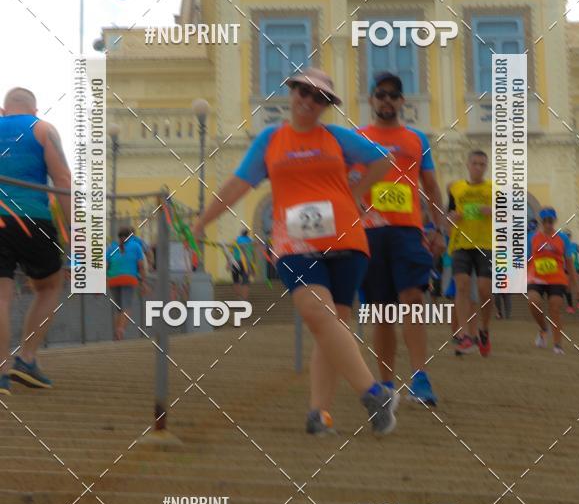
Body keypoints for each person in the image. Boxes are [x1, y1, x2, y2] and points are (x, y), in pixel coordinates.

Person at [193, 67, 397, 436]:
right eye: (303, 92)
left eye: (318, 97)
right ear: (291, 93)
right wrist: (201, 221)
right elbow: (238, 184)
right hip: (294, 243)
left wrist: (356, 192)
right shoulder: (271, 140)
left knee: (331, 325)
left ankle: (319, 414)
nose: (308, 101)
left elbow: (384, 159)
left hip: (347, 239)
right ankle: (373, 392)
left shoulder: (336, 138)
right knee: (318, 314)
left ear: (326, 105)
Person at [352, 72, 446, 406]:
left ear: (402, 100)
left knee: (414, 299)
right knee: (380, 313)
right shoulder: (357, 138)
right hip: (370, 234)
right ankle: (387, 385)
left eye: (394, 95)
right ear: (372, 100)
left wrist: (439, 229)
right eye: (381, 94)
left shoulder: (417, 139)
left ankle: (420, 377)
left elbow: (431, 187)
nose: (387, 100)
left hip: (409, 232)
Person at [0, 88, 71, 394]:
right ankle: (26, 359)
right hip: (33, 219)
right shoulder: (42, 129)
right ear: (35, 109)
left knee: (2, 296)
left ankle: (1, 372)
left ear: (4, 111)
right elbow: (63, 181)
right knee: (49, 286)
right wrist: (75, 231)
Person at [447, 151, 493, 357]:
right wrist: (452, 217)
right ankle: (465, 336)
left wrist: (494, 212)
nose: (478, 167)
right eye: (474, 163)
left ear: (486, 166)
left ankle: (484, 329)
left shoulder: (494, 189)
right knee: (462, 286)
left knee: (484, 290)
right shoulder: (455, 188)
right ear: (467, 164)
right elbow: (447, 215)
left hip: (486, 244)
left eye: (482, 164)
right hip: (460, 243)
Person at [528, 208, 575, 354]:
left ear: (554, 221)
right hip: (537, 277)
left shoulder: (563, 238)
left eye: (551, 221)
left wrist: (573, 284)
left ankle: (557, 344)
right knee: (533, 302)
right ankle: (543, 329)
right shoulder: (532, 238)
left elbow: (569, 262)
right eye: (545, 221)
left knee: (555, 309)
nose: (548, 224)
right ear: (541, 222)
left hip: (557, 278)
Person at [106, 228, 148, 340]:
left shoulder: (111, 247)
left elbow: (105, 265)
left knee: (119, 309)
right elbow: (141, 266)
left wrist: (104, 280)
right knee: (127, 307)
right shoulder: (136, 246)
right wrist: (143, 283)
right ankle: (120, 331)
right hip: (129, 279)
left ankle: (116, 334)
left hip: (113, 280)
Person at [230, 227, 254, 307]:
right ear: (247, 233)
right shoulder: (250, 241)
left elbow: (231, 251)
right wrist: (253, 267)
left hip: (236, 261)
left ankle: (239, 296)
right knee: (245, 281)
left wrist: (228, 262)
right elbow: (253, 254)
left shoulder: (236, 239)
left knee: (235, 280)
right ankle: (245, 299)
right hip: (246, 263)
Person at [563, 230, 579, 313]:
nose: (567, 237)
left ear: (570, 237)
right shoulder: (561, 247)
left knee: (578, 286)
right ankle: (570, 306)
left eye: (568, 236)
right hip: (566, 270)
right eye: (565, 236)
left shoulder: (575, 246)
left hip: (576, 269)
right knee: (568, 288)